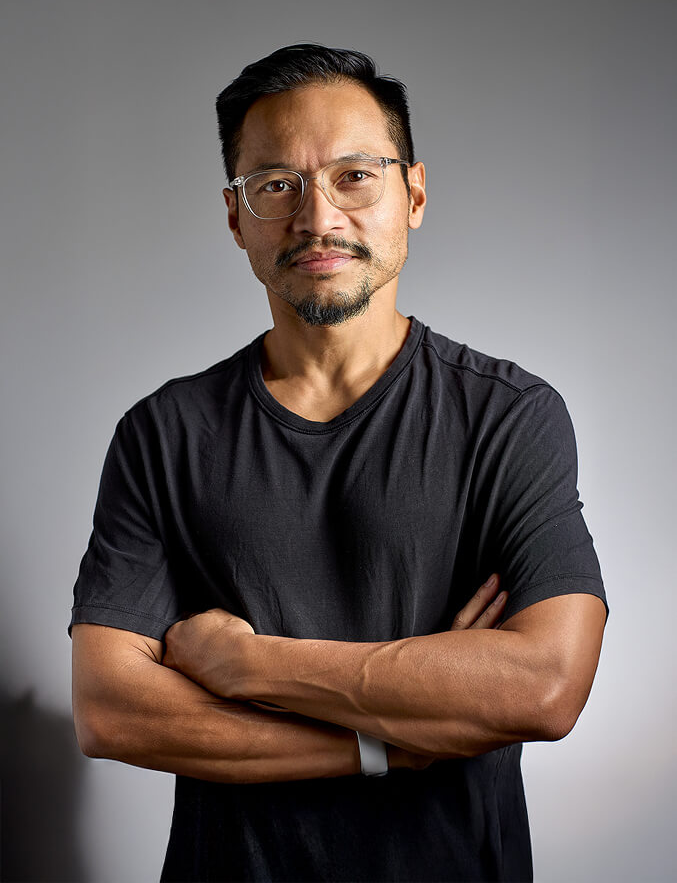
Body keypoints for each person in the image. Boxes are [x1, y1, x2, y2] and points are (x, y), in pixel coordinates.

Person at [70, 43, 607, 883]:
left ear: (413, 194)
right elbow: (113, 712)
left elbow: (541, 688)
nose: (317, 218)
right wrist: (387, 745)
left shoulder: (507, 415)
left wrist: (248, 665)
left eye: (354, 176)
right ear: (235, 216)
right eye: (275, 185)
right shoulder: (163, 433)